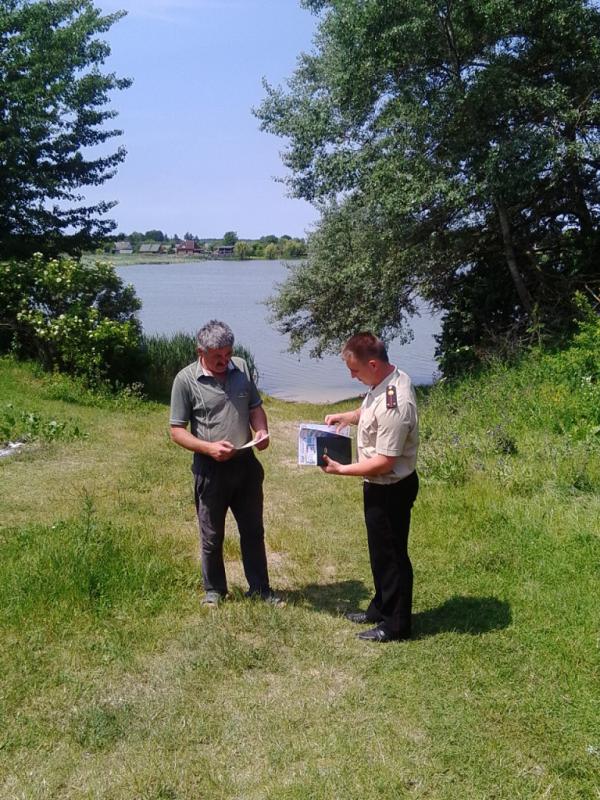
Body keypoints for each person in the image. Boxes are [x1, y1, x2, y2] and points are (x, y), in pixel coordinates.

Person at [169, 319, 282, 607]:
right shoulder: (185, 380)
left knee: (253, 531)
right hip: (210, 470)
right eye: (217, 356)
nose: (224, 361)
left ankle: (260, 589)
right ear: (200, 352)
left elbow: (255, 407)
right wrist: (208, 448)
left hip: (246, 466)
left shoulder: (241, 367)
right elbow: (177, 431)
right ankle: (215, 591)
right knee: (211, 534)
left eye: (228, 353)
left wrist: (261, 431)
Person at [322, 332, 419, 642]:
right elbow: (369, 410)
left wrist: (342, 469)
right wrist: (348, 416)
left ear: (373, 364)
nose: (352, 376)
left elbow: (385, 462)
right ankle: (380, 607)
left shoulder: (395, 402)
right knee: (380, 553)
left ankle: (396, 625)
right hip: (379, 486)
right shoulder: (384, 381)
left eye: (355, 370)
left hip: (390, 488)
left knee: (391, 556)